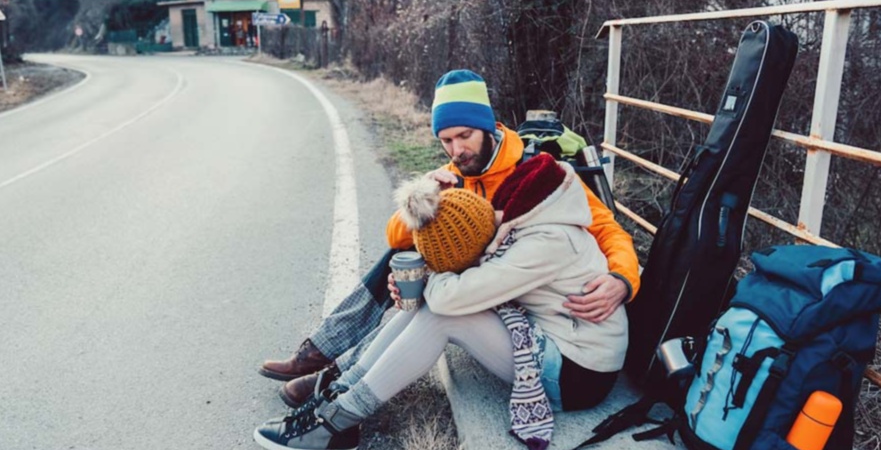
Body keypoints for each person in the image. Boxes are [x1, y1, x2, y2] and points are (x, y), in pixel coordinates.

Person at [260, 69, 640, 409]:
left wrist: (623, 280)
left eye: (465, 136)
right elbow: (396, 236)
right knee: (401, 259)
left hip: (527, 299)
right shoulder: (454, 173)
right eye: (446, 140)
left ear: (488, 128)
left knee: (432, 300)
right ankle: (327, 355)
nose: (457, 149)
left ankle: (336, 383)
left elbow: (605, 227)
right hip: (493, 286)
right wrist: (426, 196)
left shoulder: (536, 177)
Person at [253, 153, 629, 450]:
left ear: (526, 206)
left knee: (443, 315)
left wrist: (431, 276)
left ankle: (336, 424)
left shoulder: (549, 239)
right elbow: (478, 269)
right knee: (433, 305)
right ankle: (339, 392)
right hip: (557, 338)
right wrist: (422, 279)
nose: (498, 217)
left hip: (579, 372)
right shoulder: (533, 221)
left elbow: (451, 296)